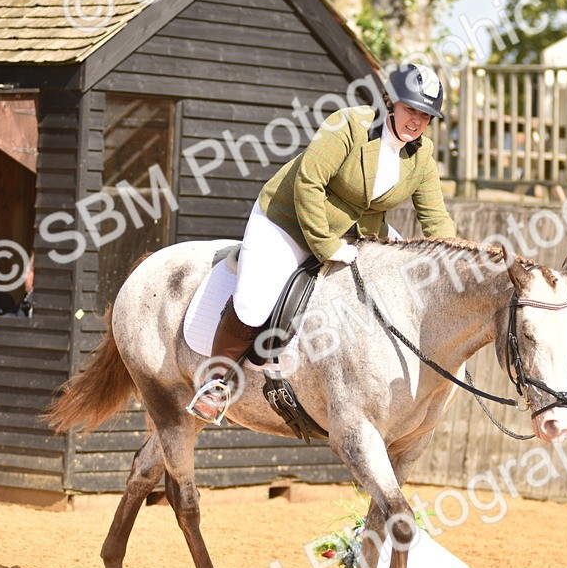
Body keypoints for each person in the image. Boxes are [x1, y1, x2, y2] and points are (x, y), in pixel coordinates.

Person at [187, 63, 458, 423]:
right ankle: (216, 382)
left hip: (356, 231)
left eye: (426, 116)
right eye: (411, 110)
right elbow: (308, 185)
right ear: (390, 102)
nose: (417, 123)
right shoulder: (348, 125)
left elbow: (435, 218)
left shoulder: (421, 154)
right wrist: (327, 246)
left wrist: (459, 263)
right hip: (287, 220)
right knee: (254, 304)